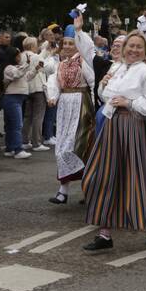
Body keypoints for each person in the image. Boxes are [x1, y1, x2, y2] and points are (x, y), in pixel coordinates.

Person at [81, 30, 146, 251]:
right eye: (130, 46)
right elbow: (107, 97)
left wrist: (130, 103)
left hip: (136, 129)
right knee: (103, 176)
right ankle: (105, 234)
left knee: (137, 179)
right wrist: (103, 85)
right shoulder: (117, 67)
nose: (133, 50)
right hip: (112, 127)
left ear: (145, 50)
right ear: (124, 48)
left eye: (138, 47)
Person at [45, 18, 96, 204]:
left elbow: (92, 82)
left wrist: (96, 104)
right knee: (62, 148)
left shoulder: (83, 62)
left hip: (81, 104)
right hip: (65, 106)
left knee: (78, 148)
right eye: (64, 43)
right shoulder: (61, 64)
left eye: (70, 43)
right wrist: (52, 96)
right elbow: (54, 82)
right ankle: (63, 190)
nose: (66, 46)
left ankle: (87, 189)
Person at [0, 45, 35, 160]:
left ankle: (10, 148)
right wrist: (27, 64)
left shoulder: (17, 67)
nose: (20, 57)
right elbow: (17, 74)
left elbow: (26, 77)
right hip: (12, 98)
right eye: (18, 55)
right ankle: (18, 149)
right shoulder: (9, 68)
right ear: (13, 56)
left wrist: (36, 69)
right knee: (17, 124)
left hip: (16, 99)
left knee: (11, 125)